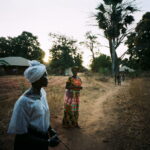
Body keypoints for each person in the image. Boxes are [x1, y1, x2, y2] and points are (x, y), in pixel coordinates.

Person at [7, 60, 59, 150]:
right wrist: (47, 142)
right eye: (45, 75)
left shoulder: (42, 93)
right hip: (29, 144)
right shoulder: (24, 102)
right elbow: (22, 135)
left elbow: (43, 116)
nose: (47, 78)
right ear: (37, 79)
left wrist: (49, 129)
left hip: (42, 139)